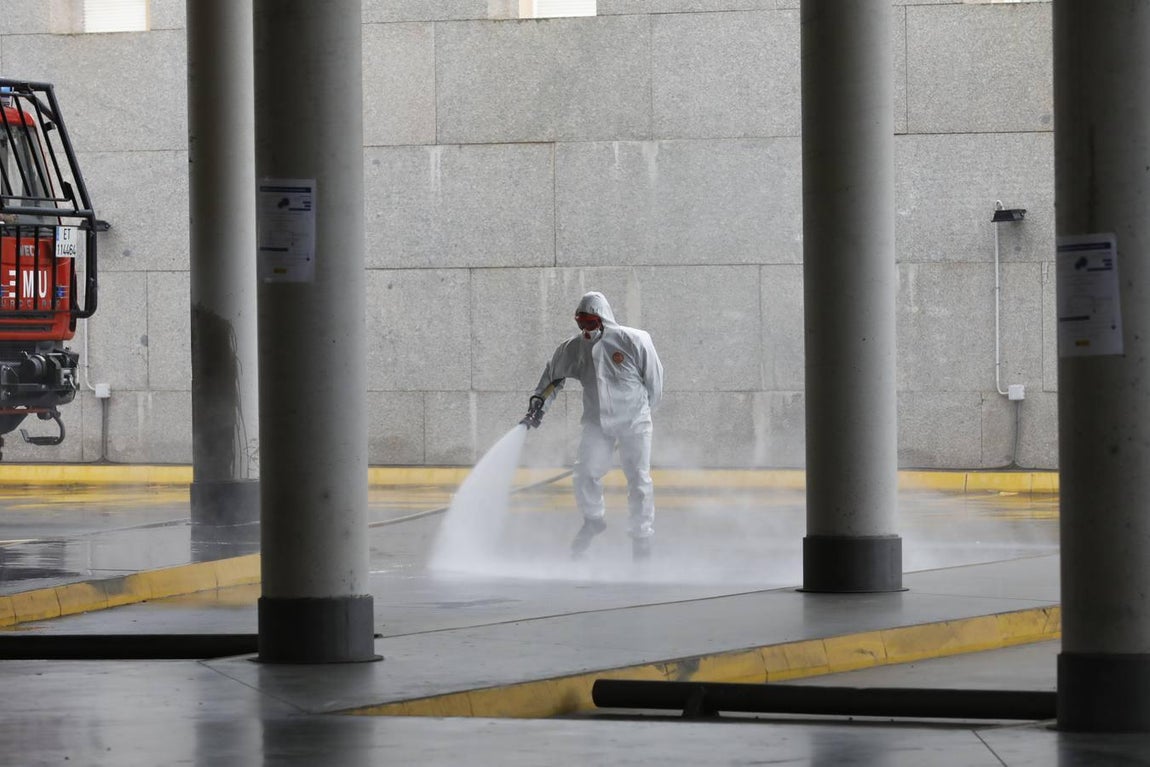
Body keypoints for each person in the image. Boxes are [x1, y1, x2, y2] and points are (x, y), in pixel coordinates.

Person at [521, 291, 663, 561]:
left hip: (634, 423)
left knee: (639, 481)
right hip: (597, 425)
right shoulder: (572, 349)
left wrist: (642, 415)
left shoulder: (634, 340)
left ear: (602, 319)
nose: (585, 329)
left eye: (589, 322)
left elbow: (654, 382)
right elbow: (552, 380)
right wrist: (536, 408)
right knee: (585, 473)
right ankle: (594, 518)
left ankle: (641, 539)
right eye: (581, 323)